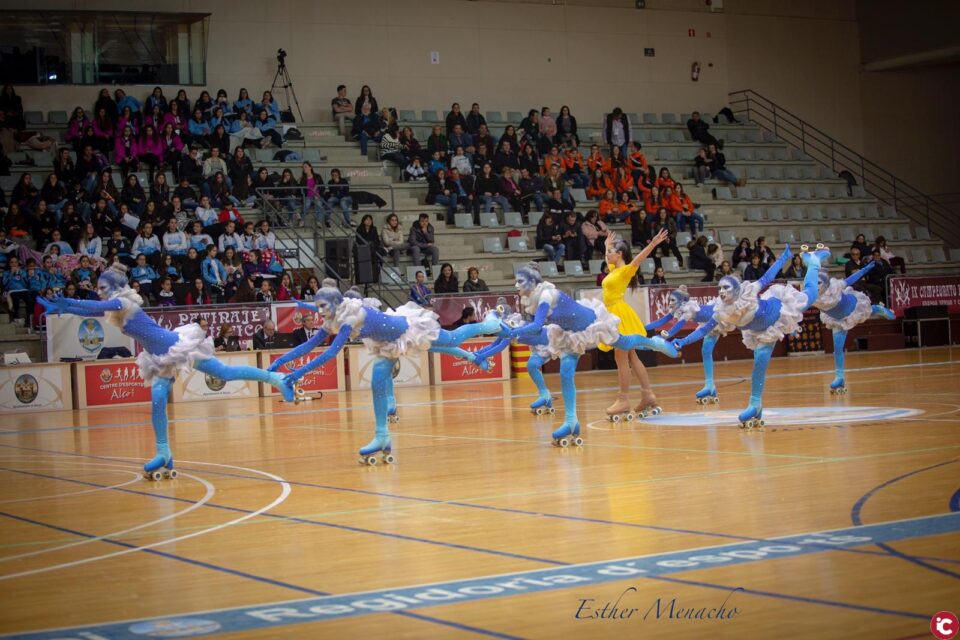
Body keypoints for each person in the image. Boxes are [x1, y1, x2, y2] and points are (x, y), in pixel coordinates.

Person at [39, 265, 294, 478]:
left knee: (224, 373)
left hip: (176, 347)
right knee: (158, 400)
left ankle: (277, 378)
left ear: (114, 287)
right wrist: (64, 308)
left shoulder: (123, 302)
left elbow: (92, 305)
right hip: (159, 357)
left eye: (102, 287)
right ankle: (164, 452)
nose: (99, 290)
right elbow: (91, 309)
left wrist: (69, 301)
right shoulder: (114, 307)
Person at [272, 287, 505, 463]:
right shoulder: (336, 315)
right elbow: (309, 344)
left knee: (452, 339)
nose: (320, 311)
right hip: (387, 342)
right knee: (377, 380)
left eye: (323, 306)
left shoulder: (350, 318)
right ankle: (382, 436)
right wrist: (278, 362)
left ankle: (489, 324)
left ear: (335, 303)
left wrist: (298, 373)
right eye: (318, 307)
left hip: (408, 330)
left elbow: (331, 353)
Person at [673, 245, 830, 428]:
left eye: (726, 288)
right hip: (760, 332)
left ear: (736, 289)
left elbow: (768, 277)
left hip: (779, 310)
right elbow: (703, 330)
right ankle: (755, 405)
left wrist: (783, 257)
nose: (721, 291)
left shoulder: (749, 292)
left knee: (810, 294)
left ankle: (814, 262)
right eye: (720, 288)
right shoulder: (721, 311)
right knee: (759, 364)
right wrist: (683, 341)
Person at [815, 262, 896, 394]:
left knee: (866, 311)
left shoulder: (835, 286)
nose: (816, 286)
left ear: (826, 283)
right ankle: (839, 377)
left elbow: (850, 279)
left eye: (819, 283)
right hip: (837, 319)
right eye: (815, 283)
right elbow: (798, 307)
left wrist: (864, 270)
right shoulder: (811, 296)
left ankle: (877, 308)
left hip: (853, 307)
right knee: (838, 347)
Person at [645, 286, 721, 403]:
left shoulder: (688, 310)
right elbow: (661, 321)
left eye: (673, 300)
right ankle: (710, 386)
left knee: (706, 350)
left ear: (681, 301)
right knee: (706, 351)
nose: (670, 303)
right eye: (669, 300)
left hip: (715, 318)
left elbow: (677, 327)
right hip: (707, 323)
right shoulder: (677, 308)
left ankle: (710, 385)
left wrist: (667, 337)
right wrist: (642, 327)